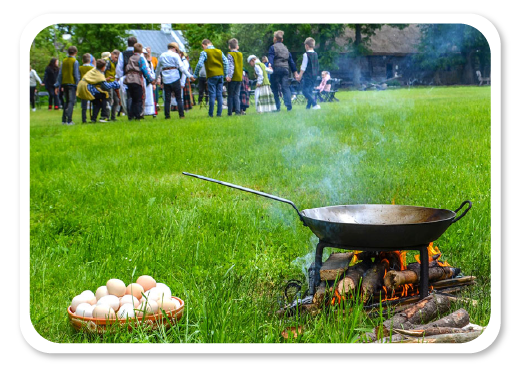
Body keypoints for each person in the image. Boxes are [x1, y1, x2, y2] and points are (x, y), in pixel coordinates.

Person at [155, 42, 194, 120]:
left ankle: (167, 116)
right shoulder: (175, 55)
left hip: (166, 79)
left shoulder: (162, 55)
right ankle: (181, 115)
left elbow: (158, 69)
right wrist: (190, 76)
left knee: (167, 99)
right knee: (179, 98)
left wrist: (155, 79)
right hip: (175, 78)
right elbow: (182, 68)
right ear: (174, 48)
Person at [193, 39, 229, 117]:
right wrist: (225, 74)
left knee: (212, 95)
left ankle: (211, 114)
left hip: (211, 75)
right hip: (220, 75)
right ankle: (219, 114)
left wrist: (195, 75)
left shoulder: (204, 52)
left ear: (203, 45)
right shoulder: (219, 51)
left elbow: (199, 64)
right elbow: (226, 62)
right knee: (219, 94)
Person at [268, 30, 298, 112]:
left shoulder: (272, 47)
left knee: (274, 88)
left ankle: (277, 107)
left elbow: (271, 57)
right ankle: (289, 106)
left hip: (276, 69)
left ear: (275, 39)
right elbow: (291, 61)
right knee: (285, 87)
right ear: (282, 40)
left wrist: (270, 65)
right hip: (285, 70)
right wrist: (295, 72)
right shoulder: (286, 49)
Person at [124, 43, 155, 120]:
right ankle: (138, 115)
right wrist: (151, 80)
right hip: (136, 79)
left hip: (128, 79)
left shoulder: (131, 58)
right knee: (138, 99)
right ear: (141, 51)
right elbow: (144, 69)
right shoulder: (140, 58)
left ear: (134, 50)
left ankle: (131, 115)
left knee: (132, 98)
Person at [54, 46, 80, 125]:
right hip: (72, 84)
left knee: (66, 101)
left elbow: (60, 74)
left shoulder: (64, 61)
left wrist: (57, 85)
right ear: (75, 53)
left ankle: (63, 120)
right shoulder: (75, 61)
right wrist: (78, 84)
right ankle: (69, 120)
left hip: (64, 84)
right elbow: (76, 74)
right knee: (71, 102)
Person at [116, 36, 139, 116]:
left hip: (126, 77)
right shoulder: (137, 53)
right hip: (137, 77)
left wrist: (121, 77)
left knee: (128, 95)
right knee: (137, 96)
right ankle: (137, 113)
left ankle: (130, 113)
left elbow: (119, 67)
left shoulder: (122, 54)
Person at [296, 37, 320, 110]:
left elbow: (303, 67)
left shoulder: (306, 55)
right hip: (314, 76)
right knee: (310, 91)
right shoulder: (315, 54)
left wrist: (299, 76)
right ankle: (308, 108)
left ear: (306, 45)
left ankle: (315, 104)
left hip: (308, 76)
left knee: (304, 91)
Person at [225, 38, 243, 116]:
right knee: (237, 95)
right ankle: (238, 111)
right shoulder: (240, 54)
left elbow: (231, 66)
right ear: (237, 46)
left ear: (229, 47)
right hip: (239, 77)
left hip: (233, 77)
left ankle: (229, 112)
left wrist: (229, 76)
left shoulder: (230, 54)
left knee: (230, 95)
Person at [104, 50, 120, 121]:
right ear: (111, 54)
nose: (116, 59)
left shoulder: (113, 63)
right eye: (115, 57)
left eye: (117, 58)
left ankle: (113, 117)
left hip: (112, 84)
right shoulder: (107, 61)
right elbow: (103, 72)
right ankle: (106, 117)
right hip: (107, 84)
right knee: (109, 100)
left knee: (116, 100)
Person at [79, 53, 95, 123]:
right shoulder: (93, 68)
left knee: (84, 105)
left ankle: (84, 119)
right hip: (91, 86)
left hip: (83, 86)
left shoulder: (80, 68)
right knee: (94, 102)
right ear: (90, 60)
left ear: (82, 60)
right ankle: (93, 117)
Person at [142, 47, 157, 117]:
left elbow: (152, 71)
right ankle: (144, 111)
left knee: (150, 97)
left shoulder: (150, 62)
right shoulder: (142, 62)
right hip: (143, 80)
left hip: (149, 81)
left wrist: (153, 81)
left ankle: (151, 111)